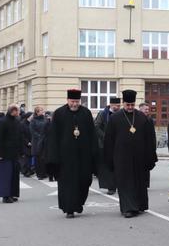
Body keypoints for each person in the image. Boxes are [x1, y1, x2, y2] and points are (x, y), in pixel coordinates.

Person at [104, 89, 157, 218]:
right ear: (124, 104)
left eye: (132, 105)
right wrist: (109, 158)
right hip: (121, 157)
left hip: (140, 156)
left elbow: (150, 138)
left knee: (139, 182)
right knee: (125, 182)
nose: (130, 107)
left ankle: (139, 205)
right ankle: (128, 208)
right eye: (128, 105)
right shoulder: (115, 118)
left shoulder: (142, 118)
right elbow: (109, 139)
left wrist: (151, 156)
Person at [46, 89, 98, 218]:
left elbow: (92, 134)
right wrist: (53, 156)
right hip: (65, 158)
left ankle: (78, 204)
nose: (74, 104)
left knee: (84, 181)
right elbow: (53, 137)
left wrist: (94, 152)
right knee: (67, 184)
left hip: (83, 156)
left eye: (77, 101)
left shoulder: (86, 113)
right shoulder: (59, 113)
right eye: (72, 101)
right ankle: (69, 208)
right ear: (67, 100)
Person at [0, 104, 23, 203]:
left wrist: (21, 151)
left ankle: (13, 193)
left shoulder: (17, 121)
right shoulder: (2, 122)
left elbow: (19, 137)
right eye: (18, 111)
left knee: (14, 175)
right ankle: (5, 195)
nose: (19, 113)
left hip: (14, 152)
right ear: (13, 111)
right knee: (6, 175)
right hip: (5, 153)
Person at [94, 97, 121, 195]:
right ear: (111, 105)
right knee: (107, 167)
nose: (117, 107)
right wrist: (105, 137)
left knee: (118, 165)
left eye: (119, 106)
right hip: (105, 144)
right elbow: (96, 126)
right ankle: (111, 187)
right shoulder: (103, 113)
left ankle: (118, 184)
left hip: (118, 144)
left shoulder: (121, 114)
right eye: (116, 106)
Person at [30, 106, 49, 180]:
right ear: (37, 112)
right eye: (41, 110)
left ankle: (44, 173)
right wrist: (40, 137)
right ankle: (39, 174)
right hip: (37, 142)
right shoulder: (33, 120)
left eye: (43, 110)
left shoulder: (45, 119)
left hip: (45, 141)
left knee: (44, 158)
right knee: (38, 158)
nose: (43, 112)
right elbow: (32, 131)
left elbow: (48, 129)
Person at [19, 112, 34, 177]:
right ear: (29, 116)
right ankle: (26, 171)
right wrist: (27, 142)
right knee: (26, 158)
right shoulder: (22, 124)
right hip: (24, 143)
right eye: (32, 115)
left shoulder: (32, 123)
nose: (33, 116)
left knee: (30, 157)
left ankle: (29, 170)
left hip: (32, 142)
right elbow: (22, 135)